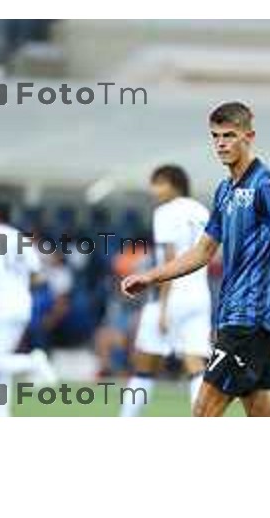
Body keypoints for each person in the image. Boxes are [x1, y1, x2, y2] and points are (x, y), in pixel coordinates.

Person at [121, 102, 270, 417]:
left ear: (248, 136)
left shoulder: (268, 186)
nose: (221, 143)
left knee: (203, 412)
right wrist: (153, 276)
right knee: (261, 412)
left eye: (229, 135)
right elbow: (203, 251)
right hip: (233, 317)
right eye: (215, 136)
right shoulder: (224, 190)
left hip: (249, 320)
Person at [120, 165, 212, 416]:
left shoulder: (164, 213)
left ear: (175, 184)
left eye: (159, 183)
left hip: (173, 296)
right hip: (200, 295)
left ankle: (125, 420)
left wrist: (162, 307)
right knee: (195, 365)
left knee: (144, 365)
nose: (154, 190)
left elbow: (169, 261)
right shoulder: (202, 211)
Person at [0, 202, 56, 417]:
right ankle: (1, 411)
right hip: (22, 304)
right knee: (2, 356)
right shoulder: (21, 239)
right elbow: (37, 276)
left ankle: (34, 362)